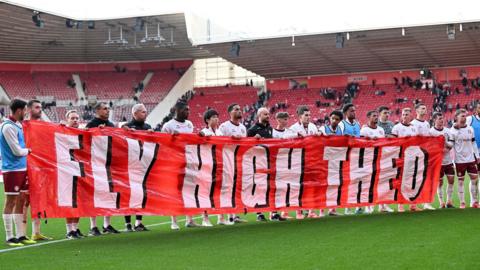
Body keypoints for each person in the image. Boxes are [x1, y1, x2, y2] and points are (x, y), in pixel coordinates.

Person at [1, 99, 36, 246]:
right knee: (10, 201)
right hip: (12, 169)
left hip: (22, 168)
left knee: (21, 200)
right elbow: (16, 151)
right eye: (25, 110)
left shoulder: (17, 125)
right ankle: (10, 237)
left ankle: (20, 235)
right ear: (19, 110)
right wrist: (29, 150)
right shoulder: (7, 127)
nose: (26, 113)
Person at [161, 101, 199, 230]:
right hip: (174, 163)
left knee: (189, 190)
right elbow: (162, 144)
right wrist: (172, 139)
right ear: (177, 110)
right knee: (175, 192)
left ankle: (190, 219)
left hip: (188, 160)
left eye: (188, 110)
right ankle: (174, 220)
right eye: (185, 110)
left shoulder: (189, 124)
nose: (188, 112)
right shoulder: (168, 126)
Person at [85, 102, 120, 236]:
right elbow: (85, 140)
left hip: (109, 164)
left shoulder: (111, 125)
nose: (107, 111)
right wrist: (96, 132)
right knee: (94, 195)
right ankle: (93, 226)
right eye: (105, 109)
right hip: (95, 164)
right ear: (97, 110)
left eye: (108, 108)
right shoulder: (91, 124)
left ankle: (107, 224)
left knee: (109, 194)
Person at [247, 108, 286, 222]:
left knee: (271, 187)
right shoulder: (252, 130)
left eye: (268, 114)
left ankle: (273, 212)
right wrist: (254, 139)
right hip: (257, 163)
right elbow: (246, 146)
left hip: (269, 162)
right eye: (265, 114)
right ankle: (259, 213)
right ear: (259, 115)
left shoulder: (270, 128)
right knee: (259, 188)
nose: (268, 116)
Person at [24, 99, 52, 241]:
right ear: (29, 110)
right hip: (26, 167)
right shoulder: (23, 126)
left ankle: (36, 231)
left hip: (40, 169)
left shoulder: (43, 126)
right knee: (25, 201)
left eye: (41, 107)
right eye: (36, 107)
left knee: (38, 199)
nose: (40, 109)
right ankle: (21, 233)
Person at [121, 104, 151, 232]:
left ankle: (138, 222)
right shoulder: (127, 126)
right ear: (135, 113)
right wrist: (124, 130)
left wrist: (152, 134)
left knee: (142, 194)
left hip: (143, 165)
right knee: (128, 194)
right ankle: (128, 224)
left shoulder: (148, 127)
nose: (146, 114)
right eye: (143, 112)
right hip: (129, 165)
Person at [199, 109, 232, 226]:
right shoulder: (204, 132)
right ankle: (205, 218)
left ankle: (221, 217)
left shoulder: (220, 133)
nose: (216, 119)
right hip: (207, 165)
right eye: (213, 117)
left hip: (219, 164)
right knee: (206, 192)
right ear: (207, 120)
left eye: (217, 117)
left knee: (220, 191)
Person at [287, 105, 320, 219]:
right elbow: (285, 138)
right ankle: (299, 212)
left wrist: (319, 134)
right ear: (300, 116)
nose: (308, 117)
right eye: (306, 115)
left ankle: (311, 211)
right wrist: (296, 135)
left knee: (311, 186)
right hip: (298, 161)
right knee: (299, 187)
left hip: (311, 160)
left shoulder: (313, 126)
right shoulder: (294, 128)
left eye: (309, 115)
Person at [218, 103, 248, 224]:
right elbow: (218, 140)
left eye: (240, 109)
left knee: (235, 188)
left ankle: (233, 215)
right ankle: (221, 216)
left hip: (238, 161)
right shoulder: (224, 126)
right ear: (230, 112)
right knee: (225, 188)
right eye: (236, 109)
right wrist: (230, 138)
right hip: (226, 161)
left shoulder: (242, 128)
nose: (239, 111)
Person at [359, 110, 394, 213]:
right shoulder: (364, 130)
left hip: (380, 159)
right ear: (368, 117)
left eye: (376, 116)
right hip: (369, 160)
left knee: (382, 182)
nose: (376, 117)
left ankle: (383, 205)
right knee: (369, 183)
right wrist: (370, 141)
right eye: (374, 116)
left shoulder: (381, 130)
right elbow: (360, 145)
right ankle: (368, 206)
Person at [391, 108, 420, 212]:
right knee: (401, 181)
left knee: (413, 181)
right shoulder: (396, 128)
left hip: (413, 158)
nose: (404, 116)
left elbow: (418, 142)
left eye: (407, 114)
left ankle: (413, 204)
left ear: (410, 116)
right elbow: (393, 143)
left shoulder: (414, 128)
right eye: (403, 114)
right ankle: (401, 204)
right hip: (402, 158)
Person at [63, 110, 86, 239]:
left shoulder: (82, 133)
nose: (75, 120)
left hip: (79, 170)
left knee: (79, 201)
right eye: (72, 118)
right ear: (67, 120)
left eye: (77, 118)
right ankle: (69, 230)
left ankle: (75, 229)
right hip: (66, 171)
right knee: (69, 201)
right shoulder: (62, 132)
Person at [450, 109, 479, 209]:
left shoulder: (470, 128)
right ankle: (462, 202)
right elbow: (450, 145)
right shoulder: (452, 130)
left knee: (475, 180)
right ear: (456, 117)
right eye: (462, 116)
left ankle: (475, 201)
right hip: (459, 161)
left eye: (465, 116)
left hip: (471, 159)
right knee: (461, 181)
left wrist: (477, 156)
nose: (464, 118)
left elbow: (474, 143)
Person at [411, 103, 435, 210]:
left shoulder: (426, 123)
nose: (425, 109)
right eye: (422, 108)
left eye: (425, 108)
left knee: (426, 179)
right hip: (416, 155)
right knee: (416, 179)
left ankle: (426, 203)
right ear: (416, 110)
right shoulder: (413, 124)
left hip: (426, 154)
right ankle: (414, 203)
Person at [429, 112, 455, 208]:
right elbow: (430, 146)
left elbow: (452, 144)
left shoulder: (448, 131)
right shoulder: (431, 132)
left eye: (442, 118)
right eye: (439, 118)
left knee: (451, 180)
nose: (441, 120)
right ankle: (441, 202)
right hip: (438, 162)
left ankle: (449, 201)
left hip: (448, 160)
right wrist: (439, 149)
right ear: (434, 120)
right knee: (439, 182)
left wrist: (446, 145)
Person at [338, 104, 360, 215]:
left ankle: (357, 206)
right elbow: (338, 139)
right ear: (346, 112)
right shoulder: (341, 124)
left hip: (356, 156)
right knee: (347, 182)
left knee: (356, 181)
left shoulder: (358, 124)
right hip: (345, 157)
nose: (354, 113)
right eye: (352, 111)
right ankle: (347, 207)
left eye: (354, 111)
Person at [272, 112, 293, 219]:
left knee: (285, 188)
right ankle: (273, 212)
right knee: (275, 189)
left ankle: (284, 212)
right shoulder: (272, 133)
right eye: (285, 119)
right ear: (278, 120)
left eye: (287, 119)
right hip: (275, 164)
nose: (287, 121)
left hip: (286, 164)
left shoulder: (290, 133)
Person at [466, 103, 480, 172]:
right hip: (472, 150)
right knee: (473, 173)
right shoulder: (470, 119)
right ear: (475, 110)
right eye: (479, 108)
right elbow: (459, 125)